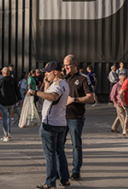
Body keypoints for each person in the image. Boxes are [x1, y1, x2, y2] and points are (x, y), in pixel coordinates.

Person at [34, 61, 70, 189]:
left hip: (50, 124)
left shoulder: (58, 85)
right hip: (60, 123)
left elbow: (53, 97)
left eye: (48, 72)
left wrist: (35, 92)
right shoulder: (61, 83)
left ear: (55, 72)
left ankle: (50, 182)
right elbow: (48, 95)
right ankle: (64, 179)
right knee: (60, 152)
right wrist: (47, 84)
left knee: (50, 155)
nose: (46, 74)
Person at [63, 54, 94, 180]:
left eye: (68, 65)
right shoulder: (63, 79)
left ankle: (76, 170)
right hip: (62, 117)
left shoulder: (83, 79)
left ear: (75, 64)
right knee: (59, 145)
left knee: (76, 145)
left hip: (76, 116)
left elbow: (91, 97)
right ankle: (61, 170)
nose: (66, 68)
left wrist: (74, 99)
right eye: (64, 65)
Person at [0, 66, 20, 142]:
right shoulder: (13, 80)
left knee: (5, 118)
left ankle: (5, 135)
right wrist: (20, 100)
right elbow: (17, 91)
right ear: (9, 73)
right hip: (11, 101)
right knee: (9, 117)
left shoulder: (0, 81)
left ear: (3, 73)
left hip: (3, 101)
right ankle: (9, 132)